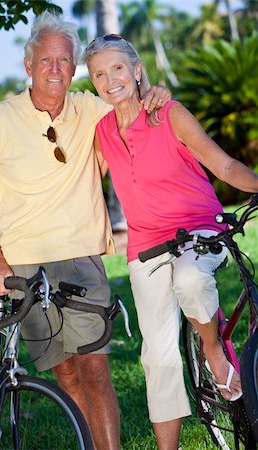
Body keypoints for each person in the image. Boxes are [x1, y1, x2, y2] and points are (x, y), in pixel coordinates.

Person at [0, 11, 171, 450]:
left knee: (95, 368)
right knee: (65, 372)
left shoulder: (91, 109)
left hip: (80, 257)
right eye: (46, 60)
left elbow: (131, 101)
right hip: (23, 262)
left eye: (64, 60)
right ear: (28, 65)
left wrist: (155, 91)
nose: (55, 69)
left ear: (73, 66)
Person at [84, 35, 258, 449]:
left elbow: (223, 163)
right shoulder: (101, 132)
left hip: (200, 227)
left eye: (118, 68)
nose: (110, 80)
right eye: (99, 74)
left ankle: (212, 347)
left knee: (191, 279)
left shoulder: (169, 113)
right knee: (157, 357)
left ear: (137, 70)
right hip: (145, 246)